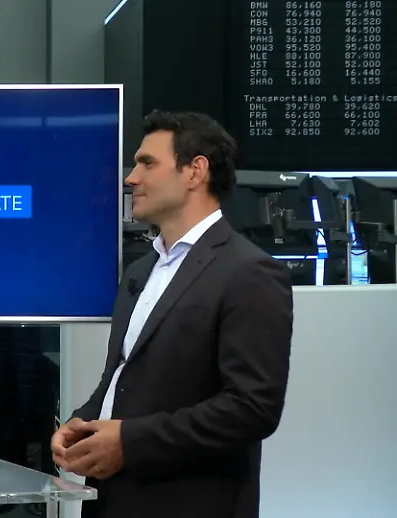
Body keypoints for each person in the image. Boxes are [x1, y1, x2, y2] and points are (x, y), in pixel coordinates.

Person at [52, 110, 293, 518]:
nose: (131, 178)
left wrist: (129, 442)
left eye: (147, 163)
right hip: (114, 501)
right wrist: (83, 422)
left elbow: (251, 409)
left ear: (195, 171)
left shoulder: (249, 272)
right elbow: (122, 378)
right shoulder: (139, 271)